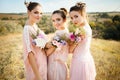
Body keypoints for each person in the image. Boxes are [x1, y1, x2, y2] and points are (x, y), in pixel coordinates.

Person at [69, 2, 96, 80]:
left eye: (76, 16)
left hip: (80, 62)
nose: (73, 20)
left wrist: (70, 42)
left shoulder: (81, 31)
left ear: (83, 15)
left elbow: (71, 50)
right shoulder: (87, 27)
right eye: (71, 18)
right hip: (86, 58)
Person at [23, 1, 47, 80]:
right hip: (36, 70)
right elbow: (30, 54)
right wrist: (38, 76)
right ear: (29, 12)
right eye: (36, 12)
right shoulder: (27, 29)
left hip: (42, 64)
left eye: (41, 13)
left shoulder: (35, 26)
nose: (39, 15)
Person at [45, 8, 69, 80]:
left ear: (64, 20)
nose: (55, 23)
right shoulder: (63, 31)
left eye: (58, 19)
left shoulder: (61, 35)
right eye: (53, 20)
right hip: (60, 64)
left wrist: (43, 46)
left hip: (55, 67)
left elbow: (47, 53)